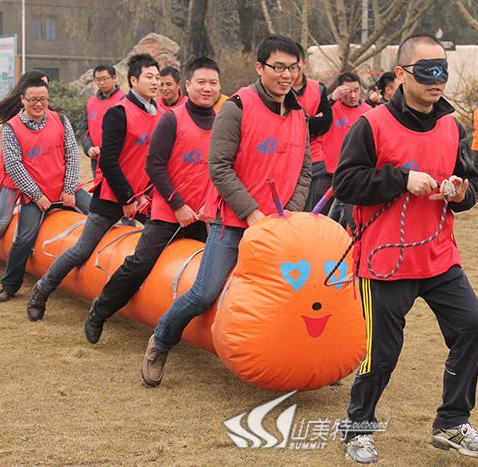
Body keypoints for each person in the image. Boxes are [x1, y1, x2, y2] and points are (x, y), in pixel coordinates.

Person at [333, 33, 478, 463]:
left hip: (439, 257)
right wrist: (400, 178)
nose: (437, 79)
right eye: (427, 71)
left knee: (473, 328)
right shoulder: (371, 124)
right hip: (384, 261)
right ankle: (357, 429)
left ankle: (452, 424)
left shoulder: (451, 125)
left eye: (442, 69)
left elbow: (472, 185)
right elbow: (345, 184)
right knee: (382, 353)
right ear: (402, 74)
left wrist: (461, 193)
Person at [140, 34, 310, 388]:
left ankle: (305, 353)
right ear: (260, 67)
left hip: (278, 224)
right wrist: (250, 212)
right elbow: (218, 166)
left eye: (292, 68)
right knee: (204, 293)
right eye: (277, 67)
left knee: (290, 292)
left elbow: (304, 169)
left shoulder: (299, 113)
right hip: (232, 220)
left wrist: (287, 213)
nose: (285, 75)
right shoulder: (237, 107)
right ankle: (161, 341)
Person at [83, 57, 221, 344]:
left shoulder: (222, 124)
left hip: (202, 215)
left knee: (212, 271)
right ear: (187, 85)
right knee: (139, 264)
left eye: (213, 83)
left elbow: (222, 169)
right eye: (201, 82)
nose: (207, 88)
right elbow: (154, 167)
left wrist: (210, 207)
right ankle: (100, 310)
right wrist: (178, 205)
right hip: (169, 212)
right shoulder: (171, 118)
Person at [26, 53, 162, 321]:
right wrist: (127, 198)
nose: (155, 82)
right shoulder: (118, 112)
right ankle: (42, 290)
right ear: (133, 80)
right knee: (82, 250)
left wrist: (146, 195)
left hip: (143, 198)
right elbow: (109, 162)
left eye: (158, 77)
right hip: (114, 196)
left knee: (169, 235)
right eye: (149, 76)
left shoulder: (159, 113)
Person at [0, 78, 91, 302]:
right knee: (24, 238)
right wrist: (37, 196)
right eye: (34, 100)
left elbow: (72, 156)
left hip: (66, 190)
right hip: (37, 196)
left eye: (43, 99)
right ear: (23, 100)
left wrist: (69, 189)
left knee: (101, 217)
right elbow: (14, 167)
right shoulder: (11, 128)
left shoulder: (60, 120)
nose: (39, 104)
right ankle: (9, 286)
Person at [0, 70, 49, 286]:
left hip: (39, 179)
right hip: (14, 179)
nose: (40, 97)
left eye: (44, 89)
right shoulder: (17, 117)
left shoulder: (49, 114)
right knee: (3, 220)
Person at [315, 72, 372, 222]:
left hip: (352, 173)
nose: (353, 95)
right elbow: (313, 116)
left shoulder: (369, 112)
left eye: (356, 90)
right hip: (326, 171)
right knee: (315, 214)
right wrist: (332, 98)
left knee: (353, 219)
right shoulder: (331, 108)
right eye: (348, 91)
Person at [292, 42, 333, 212]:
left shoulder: (318, 88)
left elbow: (325, 124)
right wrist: (310, 120)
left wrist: (299, 122)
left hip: (312, 161)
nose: (290, 70)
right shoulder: (277, 90)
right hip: (284, 157)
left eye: (295, 65)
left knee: (308, 213)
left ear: (304, 63)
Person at [80, 65, 126, 175]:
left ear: (114, 78)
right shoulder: (91, 102)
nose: (102, 83)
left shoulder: (124, 100)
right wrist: (89, 148)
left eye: (105, 79)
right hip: (96, 159)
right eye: (98, 80)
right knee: (98, 191)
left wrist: (105, 150)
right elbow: (85, 129)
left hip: (117, 161)